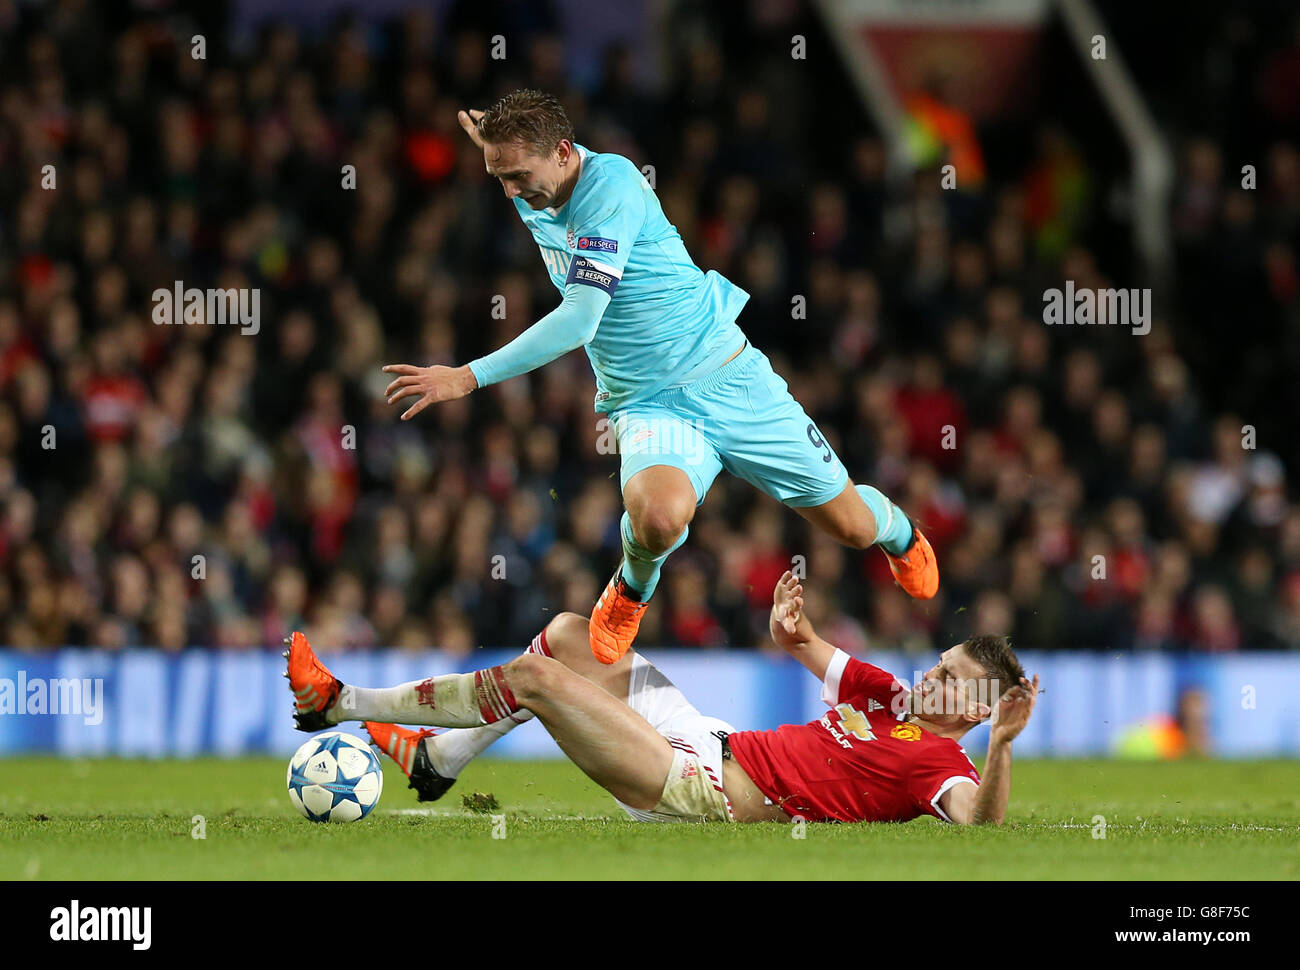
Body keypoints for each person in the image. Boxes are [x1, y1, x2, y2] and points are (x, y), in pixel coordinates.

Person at [379, 89, 938, 667]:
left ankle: (900, 532)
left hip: (728, 375)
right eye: (498, 176)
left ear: (564, 152)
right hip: (647, 403)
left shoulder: (611, 187)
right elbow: (517, 160)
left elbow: (580, 317)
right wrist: (493, 144)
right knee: (659, 517)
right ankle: (631, 588)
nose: (511, 191)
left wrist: (469, 377)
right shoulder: (532, 177)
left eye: (518, 174)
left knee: (850, 526)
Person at [285, 572, 1038, 824]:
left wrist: (1001, 749)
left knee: (537, 682)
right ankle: (439, 760)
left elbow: (983, 824)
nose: (928, 678)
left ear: (975, 710)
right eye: (938, 664)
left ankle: (340, 701)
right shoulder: (886, 695)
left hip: (704, 789)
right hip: (709, 736)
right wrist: (792, 623)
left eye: (946, 680)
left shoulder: (937, 764)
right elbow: (802, 644)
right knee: (572, 636)